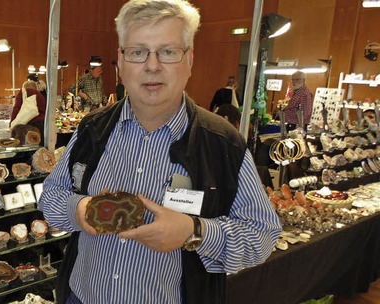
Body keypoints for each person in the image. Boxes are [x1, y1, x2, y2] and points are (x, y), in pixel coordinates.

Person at [38, 1, 282, 303]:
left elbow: (262, 236)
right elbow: (50, 196)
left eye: (168, 51)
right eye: (138, 52)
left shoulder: (223, 144)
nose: (152, 66)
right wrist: (79, 209)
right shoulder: (92, 129)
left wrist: (193, 231)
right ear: (121, 61)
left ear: (189, 59)